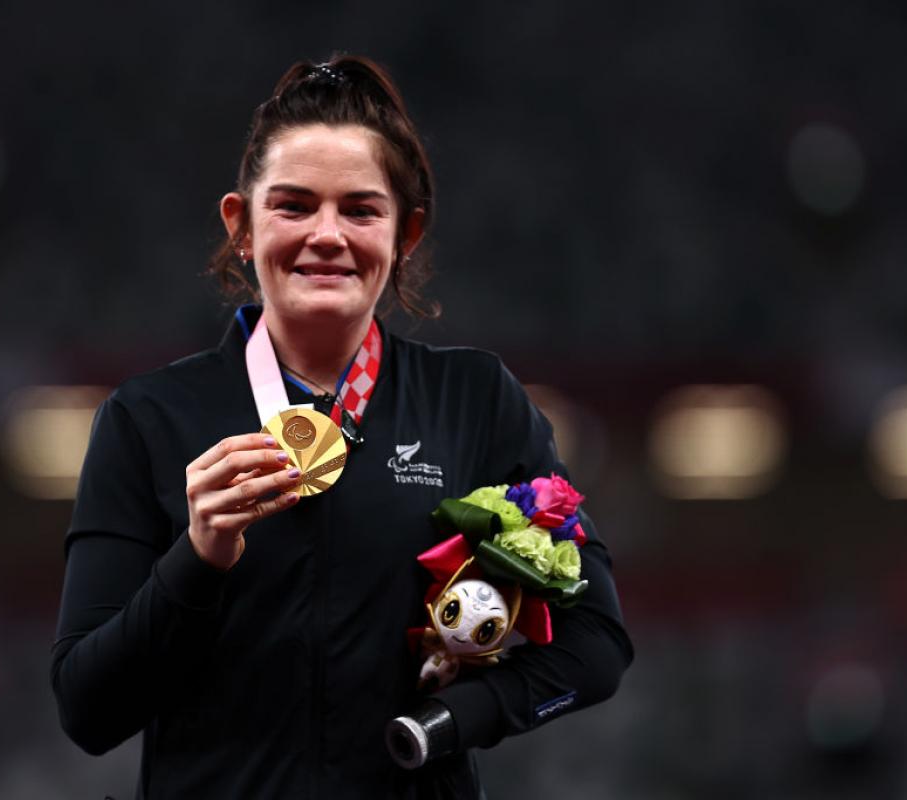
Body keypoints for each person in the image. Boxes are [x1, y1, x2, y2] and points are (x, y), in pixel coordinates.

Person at [51, 55, 633, 799]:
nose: (327, 235)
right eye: (293, 205)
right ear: (241, 225)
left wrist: (451, 720)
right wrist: (196, 559)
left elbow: (596, 644)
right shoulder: (147, 421)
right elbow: (87, 710)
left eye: (360, 210)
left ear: (407, 234)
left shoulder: (475, 400)